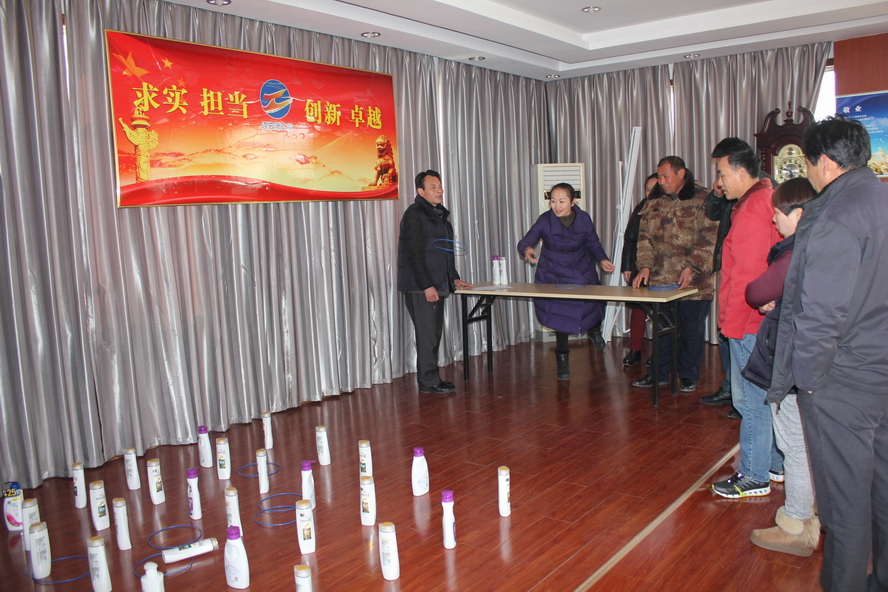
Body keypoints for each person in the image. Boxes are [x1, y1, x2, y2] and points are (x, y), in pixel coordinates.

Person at [768, 117, 888, 590]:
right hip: (881, 369)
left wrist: (810, 382)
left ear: (825, 163)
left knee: (844, 504)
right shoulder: (881, 199)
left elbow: (820, 314)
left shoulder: (836, 215)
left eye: (808, 163)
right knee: (883, 493)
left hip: (844, 380)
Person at [742, 178, 819, 556]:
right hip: (810, 358)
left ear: (798, 214)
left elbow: (756, 291)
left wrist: (769, 298)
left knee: (794, 444)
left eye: (777, 213)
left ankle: (796, 522)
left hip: (791, 361)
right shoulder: (824, 245)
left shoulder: (795, 253)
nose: (774, 220)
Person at [710, 137, 783, 499]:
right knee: (765, 398)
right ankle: (774, 463)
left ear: (741, 172)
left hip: (748, 320)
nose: (719, 182)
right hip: (759, 321)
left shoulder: (754, 207)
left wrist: (731, 323)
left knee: (749, 400)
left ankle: (754, 475)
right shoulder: (765, 197)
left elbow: (747, 276)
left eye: (722, 173)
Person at [631, 156, 717, 392]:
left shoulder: (703, 198)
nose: (661, 181)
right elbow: (644, 238)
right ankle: (658, 373)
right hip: (661, 280)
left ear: (681, 174)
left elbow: (709, 238)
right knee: (661, 330)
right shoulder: (654, 200)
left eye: (666, 176)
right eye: (659, 176)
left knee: (691, 331)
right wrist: (645, 266)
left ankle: (688, 375)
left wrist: (692, 267)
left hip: (694, 283)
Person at [517, 182, 614, 380]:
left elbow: (593, 243)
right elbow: (528, 239)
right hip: (553, 272)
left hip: (581, 267)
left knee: (594, 301)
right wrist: (527, 249)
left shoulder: (584, 218)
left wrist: (602, 259)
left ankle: (594, 330)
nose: (557, 205)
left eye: (562, 201)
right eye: (553, 201)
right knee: (561, 314)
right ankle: (562, 360)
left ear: (573, 202)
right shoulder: (545, 220)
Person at [397, 170, 473, 394]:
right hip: (421, 287)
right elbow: (414, 255)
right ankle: (428, 381)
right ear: (420, 191)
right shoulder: (415, 215)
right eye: (433, 186)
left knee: (433, 334)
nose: (439, 190)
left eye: (440, 186)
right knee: (428, 335)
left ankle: (431, 379)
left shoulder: (438, 214)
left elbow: (443, 253)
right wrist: (427, 286)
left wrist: (453, 277)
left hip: (436, 284)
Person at [620, 173, 660, 366]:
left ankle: (659, 354)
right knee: (638, 309)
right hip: (639, 266)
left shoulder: (671, 207)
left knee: (661, 313)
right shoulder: (640, 208)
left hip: (663, 270)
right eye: (647, 189)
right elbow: (630, 238)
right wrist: (627, 266)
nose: (650, 193)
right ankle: (635, 351)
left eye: (654, 189)